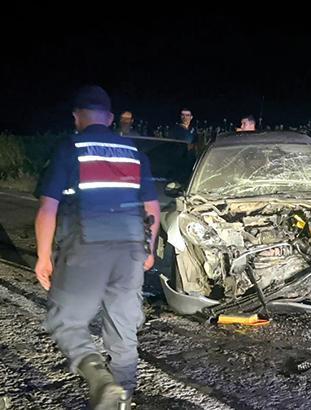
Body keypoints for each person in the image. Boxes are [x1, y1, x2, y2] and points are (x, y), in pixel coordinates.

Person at [34, 85, 160, 409]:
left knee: (66, 320)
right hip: (132, 248)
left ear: (77, 116)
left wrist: (43, 256)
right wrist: (149, 250)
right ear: (109, 117)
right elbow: (152, 209)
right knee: (123, 326)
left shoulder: (70, 147)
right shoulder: (135, 153)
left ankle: (101, 382)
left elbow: (48, 208)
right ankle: (123, 398)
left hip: (88, 246)